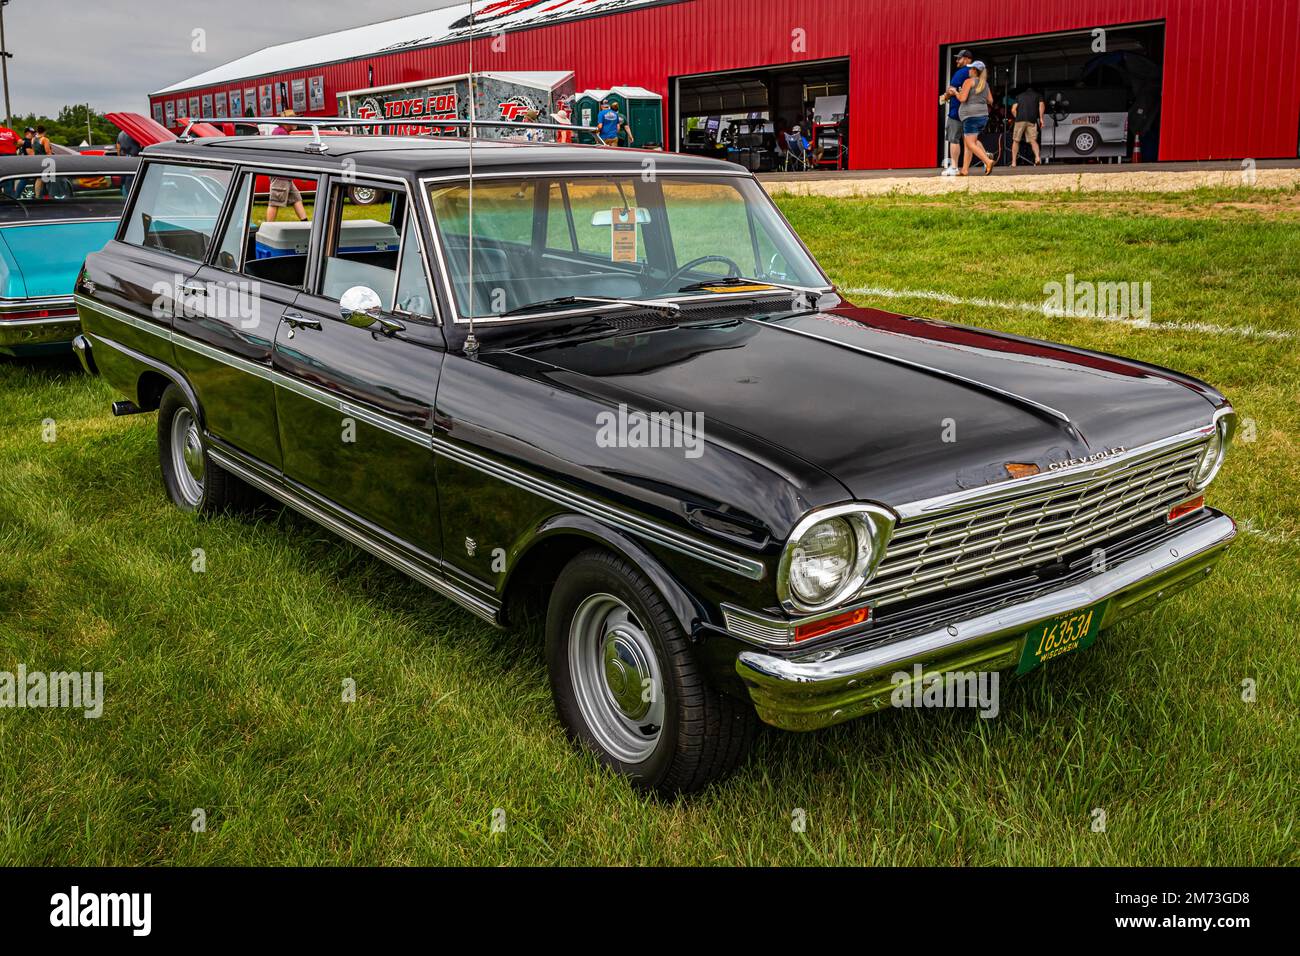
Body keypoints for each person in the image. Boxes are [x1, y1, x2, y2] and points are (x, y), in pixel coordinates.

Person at [265, 111, 307, 222]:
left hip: (285, 175)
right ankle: (268, 226)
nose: (296, 122)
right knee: (275, 201)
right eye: (294, 119)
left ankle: (305, 222)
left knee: (296, 198)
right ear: (286, 122)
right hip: (281, 175)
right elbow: (285, 154)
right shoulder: (280, 133)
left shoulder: (281, 132)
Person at [955, 61, 995, 176]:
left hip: (970, 116)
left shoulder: (968, 82)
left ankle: (987, 161)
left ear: (974, 71)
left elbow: (962, 99)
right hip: (982, 116)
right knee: (969, 142)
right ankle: (965, 170)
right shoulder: (984, 84)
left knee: (970, 143)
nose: (968, 70)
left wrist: (955, 93)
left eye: (970, 68)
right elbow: (990, 101)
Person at [941, 49, 974, 176]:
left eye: (959, 58)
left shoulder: (961, 72)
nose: (957, 61)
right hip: (971, 111)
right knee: (972, 139)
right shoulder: (975, 74)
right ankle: (986, 159)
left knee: (953, 138)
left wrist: (945, 97)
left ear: (966, 59)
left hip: (957, 111)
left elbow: (951, 90)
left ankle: (954, 166)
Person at [1011, 83, 1044, 166]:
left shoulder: (1019, 96)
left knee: (1016, 140)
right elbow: (1041, 106)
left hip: (1020, 120)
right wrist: (1041, 119)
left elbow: (1013, 109)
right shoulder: (1038, 95)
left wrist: (1017, 117)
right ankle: (1037, 158)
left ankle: (1014, 162)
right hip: (1031, 120)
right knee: (1033, 140)